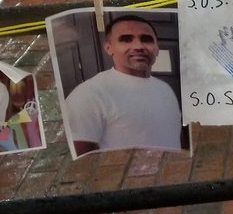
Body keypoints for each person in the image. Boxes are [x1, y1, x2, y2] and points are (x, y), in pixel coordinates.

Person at [65, 15, 184, 155]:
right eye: (126, 39)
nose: (139, 46)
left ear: (157, 48)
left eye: (146, 39)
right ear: (109, 48)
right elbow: (79, 161)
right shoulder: (89, 94)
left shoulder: (165, 89)